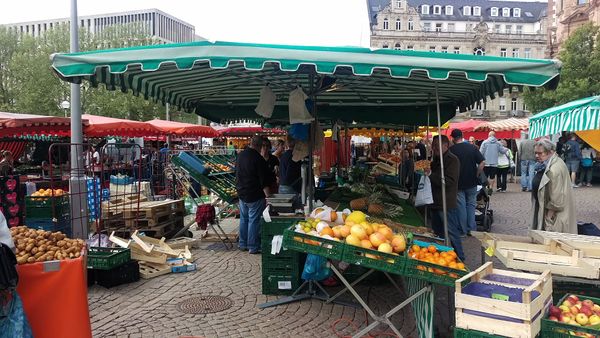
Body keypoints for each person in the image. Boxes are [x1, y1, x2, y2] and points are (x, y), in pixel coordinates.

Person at [426, 135, 464, 261]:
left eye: (437, 145)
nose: (434, 148)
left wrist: (431, 174)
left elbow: (449, 181)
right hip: (435, 201)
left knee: (452, 232)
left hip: (445, 203)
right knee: (437, 233)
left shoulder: (452, 160)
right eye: (433, 145)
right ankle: (441, 258)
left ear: (446, 146)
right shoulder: (436, 159)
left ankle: (460, 259)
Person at [531, 139, 576, 233]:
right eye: (535, 153)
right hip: (550, 212)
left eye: (540, 153)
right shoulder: (553, 163)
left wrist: (548, 219)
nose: (536, 156)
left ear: (550, 152)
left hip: (554, 217)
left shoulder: (553, 169)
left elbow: (557, 200)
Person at [235, 135, 271, 254]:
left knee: (244, 219)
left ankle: (242, 243)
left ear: (251, 143)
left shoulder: (240, 156)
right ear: (260, 146)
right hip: (254, 195)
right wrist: (268, 197)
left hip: (242, 193)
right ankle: (253, 246)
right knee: (253, 221)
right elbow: (264, 181)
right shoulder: (258, 159)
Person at [449, 129, 485, 236]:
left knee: (461, 206)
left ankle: (463, 230)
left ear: (453, 138)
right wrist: (478, 173)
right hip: (472, 181)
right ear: (462, 136)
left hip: (458, 182)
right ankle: (472, 229)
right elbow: (482, 162)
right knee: (471, 205)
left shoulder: (451, 150)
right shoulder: (472, 147)